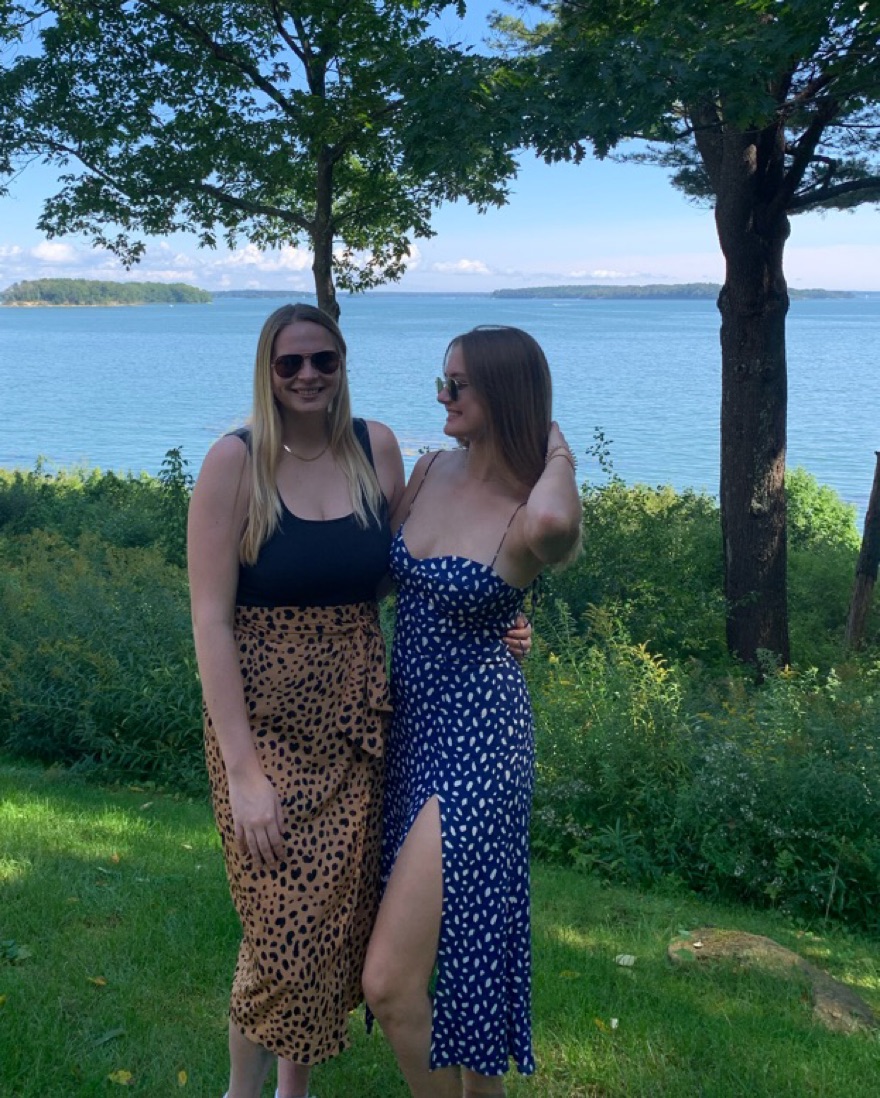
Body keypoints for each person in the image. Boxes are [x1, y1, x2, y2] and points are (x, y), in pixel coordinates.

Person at [188, 304, 530, 1098]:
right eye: (290, 363)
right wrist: (243, 771)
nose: (308, 375)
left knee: (328, 915)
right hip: (263, 726)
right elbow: (209, 620)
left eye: (324, 360)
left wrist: (496, 615)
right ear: (268, 372)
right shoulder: (234, 462)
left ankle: (291, 1090)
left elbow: (413, 563)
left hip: (359, 722)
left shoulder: (376, 448)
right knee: (282, 920)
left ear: (343, 365)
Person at [363, 325, 582, 1097]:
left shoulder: (529, 504)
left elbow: (554, 529)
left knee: (390, 982)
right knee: (460, 956)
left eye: (457, 385)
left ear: (504, 394)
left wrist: (556, 446)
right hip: (409, 731)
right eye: (441, 381)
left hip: (481, 742)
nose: (442, 396)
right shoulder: (427, 470)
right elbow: (381, 575)